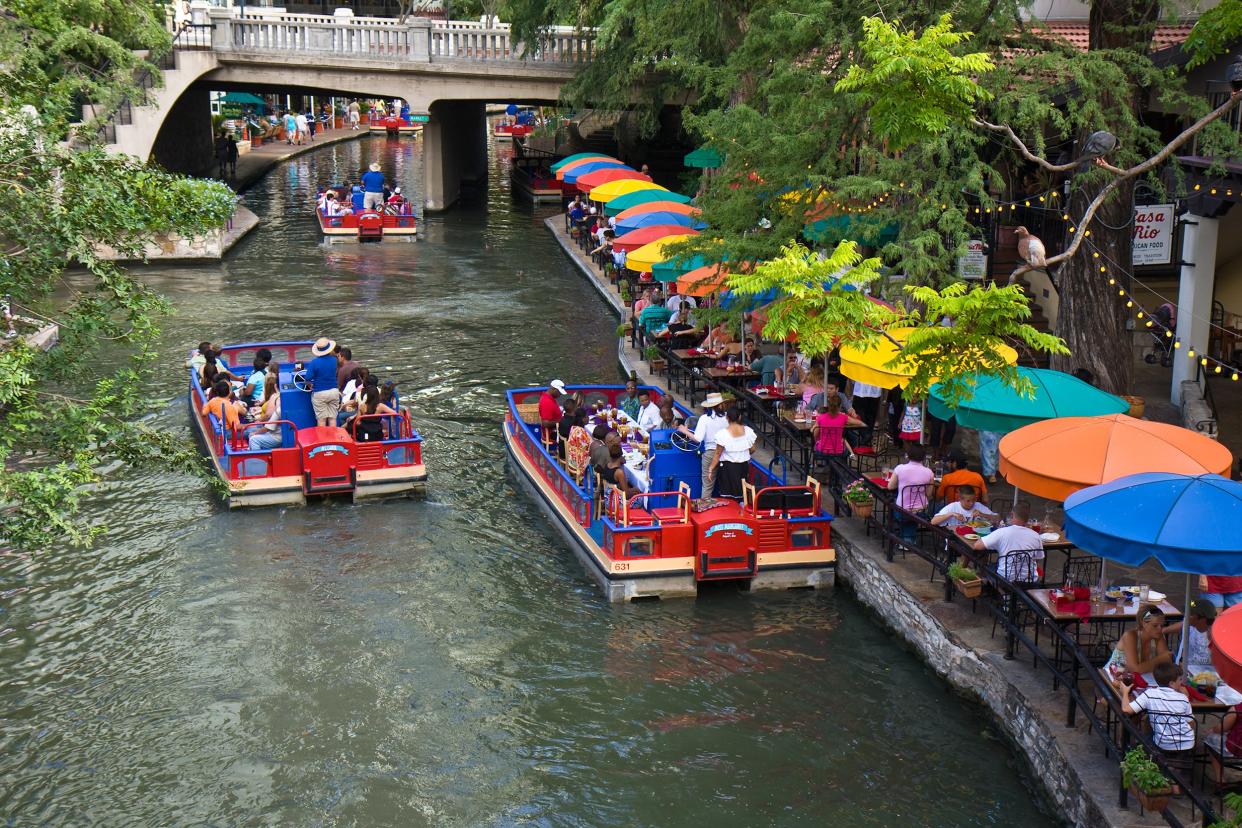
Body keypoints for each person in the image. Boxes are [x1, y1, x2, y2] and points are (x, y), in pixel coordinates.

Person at [1119, 661, 1194, 753]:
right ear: (1171, 683)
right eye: (1180, 680)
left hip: (1163, 744)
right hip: (1188, 744)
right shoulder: (1183, 698)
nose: (1181, 682)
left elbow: (1126, 709)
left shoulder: (1150, 694)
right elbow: (1191, 723)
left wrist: (1125, 692)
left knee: (1144, 736)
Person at [971, 502, 1044, 583]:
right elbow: (1037, 559)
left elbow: (977, 546)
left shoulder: (1002, 532)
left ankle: (1001, 593)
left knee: (989, 567)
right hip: (1030, 580)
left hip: (1006, 580)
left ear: (1012, 514)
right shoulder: (1036, 536)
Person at [1104, 604, 1174, 680]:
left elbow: (1167, 663)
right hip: (1111, 678)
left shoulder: (1158, 636)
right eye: (1155, 625)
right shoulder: (1130, 636)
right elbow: (1135, 669)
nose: (1160, 629)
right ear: (1143, 623)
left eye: (1162, 625)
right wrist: (1160, 659)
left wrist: (1142, 667)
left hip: (1135, 679)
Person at [677, 393, 727, 498]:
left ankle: (705, 509)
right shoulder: (727, 417)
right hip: (727, 454)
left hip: (711, 453)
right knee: (726, 487)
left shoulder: (705, 418)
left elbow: (697, 439)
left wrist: (684, 430)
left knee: (707, 486)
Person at [888, 444, 935, 542]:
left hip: (902, 511)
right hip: (921, 512)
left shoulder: (900, 468)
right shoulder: (929, 472)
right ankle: (908, 538)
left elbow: (890, 487)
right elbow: (929, 494)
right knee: (913, 512)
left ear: (908, 455)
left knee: (895, 498)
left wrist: (902, 484)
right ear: (924, 457)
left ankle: (906, 539)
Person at [711, 407, 757, 500]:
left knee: (727, 495)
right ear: (739, 417)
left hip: (727, 468)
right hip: (743, 466)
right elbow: (752, 449)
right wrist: (742, 453)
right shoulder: (748, 431)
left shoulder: (722, 434)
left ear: (727, 418)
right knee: (742, 492)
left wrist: (710, 468)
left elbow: (717, 454)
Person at [1167, 599, 1216, 672]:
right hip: (1185, 672)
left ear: (1202, 619)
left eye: (1190, 614)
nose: (1186, 616)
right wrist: (1163, 630)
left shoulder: (1217, 634)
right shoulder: (1189, 624)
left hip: (1209, 675)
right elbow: (1182, 625)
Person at [306, 337, 341, 427]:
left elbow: (308, 378)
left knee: (321, 420)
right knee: (332, 418)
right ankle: (333, 440)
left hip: (320, 393)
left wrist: (309, 384)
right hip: (334, 391)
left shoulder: (314, 362)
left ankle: (324, 440)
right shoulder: (334, 360)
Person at [931, 485, 998, 530]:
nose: (971, 503)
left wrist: (982, 514)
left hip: (976, 538)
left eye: (974, 500)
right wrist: (951, 514)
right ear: (960, 499)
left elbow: (998, 519)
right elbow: (933, 522)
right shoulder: (953, 507)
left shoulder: (978, 505)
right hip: (956, 541)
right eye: (968, 501)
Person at [247, 374, 284, 450]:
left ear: (276, 386)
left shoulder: (277, 402)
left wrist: (255, 432)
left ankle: (257, 461)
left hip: (277, 436)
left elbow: (268, 426)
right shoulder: (279, 400)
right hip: (278, 432)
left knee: (253, 438)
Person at [812, 396, 849, 461]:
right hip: (839, 451)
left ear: (828, 406)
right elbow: (859, 423)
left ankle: (826, 465)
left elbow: (815, 434)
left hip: (822, 451)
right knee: (845, 448)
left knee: (817, 444)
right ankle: (842, 468)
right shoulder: (844, 417)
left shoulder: (821, 418)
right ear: (840, 406)